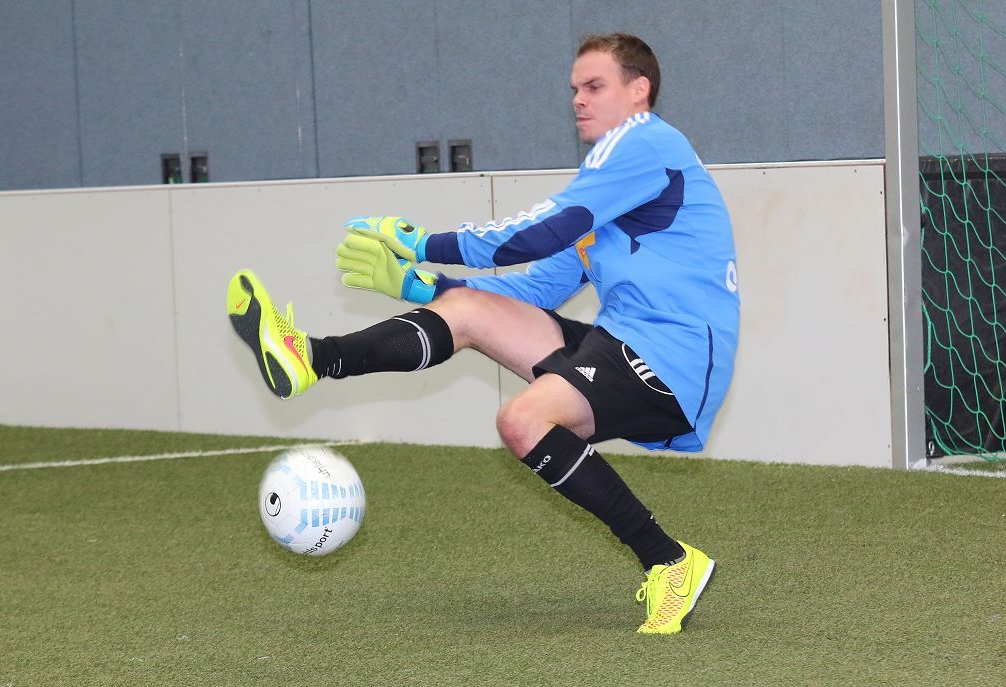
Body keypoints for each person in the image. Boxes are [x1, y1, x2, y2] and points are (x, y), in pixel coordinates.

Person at [227, 33, 739, 635]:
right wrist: (422, 285)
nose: (577, 100)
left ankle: (669, 562)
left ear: (638, 90)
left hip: (674, 354)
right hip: (625, 342)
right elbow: (536, 288)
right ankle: (312, 357)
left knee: (522, 420)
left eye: (594, 86)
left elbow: (540, 232)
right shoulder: (614, 182)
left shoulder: (645, 143)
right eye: (574, 88)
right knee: (469, 310)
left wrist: (424, 243)